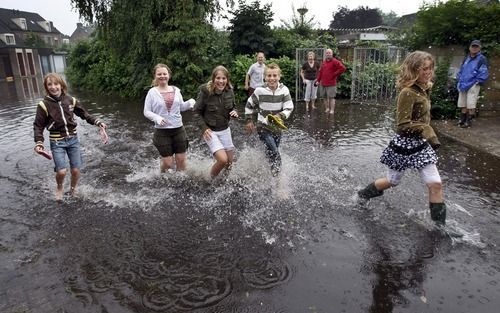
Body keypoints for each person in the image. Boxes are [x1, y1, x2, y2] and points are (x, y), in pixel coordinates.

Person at [357, 51, 446, 226]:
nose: (428, 72)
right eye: (424, 69)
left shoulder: (425, 88)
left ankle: (441, 228)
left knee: (435, 184)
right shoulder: (407, 92)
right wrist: (425, 128)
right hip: (404, 144)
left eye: (430, 68)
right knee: (392, 181)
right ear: (414, 70)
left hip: (420, 144)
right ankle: (363, 195)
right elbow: (402, 124)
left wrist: (424, 131)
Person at [33, 73, 107, 201]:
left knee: (75, 170)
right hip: (57, 142)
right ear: (46, 87)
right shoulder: (43, 105)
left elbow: (85, 115)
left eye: (56, 84)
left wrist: (98, 122)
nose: (53, 87)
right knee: (61, 171)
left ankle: (73, 190)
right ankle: (60, 187)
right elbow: (38, 126)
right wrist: (39, 143)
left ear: (61, 85)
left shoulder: (71, 100)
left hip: (73, 140)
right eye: (49, 84)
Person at [143, 63, 195, 173]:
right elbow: (146, 111)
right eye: (159, 74)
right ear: (155, 76)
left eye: (164, 74)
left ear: (169, 75)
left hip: (178, 129)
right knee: (168, 163)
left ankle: (181, 181)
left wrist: (190, 103)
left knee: (181, 160)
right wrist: (157, 118)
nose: (162, 76)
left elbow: (181, 107)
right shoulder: (152, 92)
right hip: (162, 132)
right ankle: (161, 175)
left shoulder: (176, 90)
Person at [245, 63, 294, 176]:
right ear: (265, 77)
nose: (272, 78)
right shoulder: (259, 91)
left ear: (279, 76)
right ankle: (277, 178)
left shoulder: (284, 90)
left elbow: (289, 107)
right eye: (269, 76)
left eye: (274, 75)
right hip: (263, 127)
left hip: (277, 128)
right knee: (275, 153)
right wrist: (248, 120)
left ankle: (268, 174)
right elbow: (249, 105)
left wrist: (281, 115)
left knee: (271, 152)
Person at [193, 65, 239, 178]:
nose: (221, 81)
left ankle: (223, 181)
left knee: (229, 162)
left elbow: (233, 107)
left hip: (225, 130)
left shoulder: (230, 91)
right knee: (223, 160)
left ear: (227, 80)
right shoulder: (205, 91)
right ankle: (210, 181)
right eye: (218, 78)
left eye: (224, 78)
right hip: (210, 131)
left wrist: (234, 112)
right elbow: (196, 112)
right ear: (213, 79)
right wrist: (204, 128)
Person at [456, 39, 489, 128]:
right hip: (463, 83)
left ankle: (468, 121)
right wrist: (459, 78)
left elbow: (483, 71)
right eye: (473, 46)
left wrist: (478, 81)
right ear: (470, 47)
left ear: (479, 48)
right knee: (462, 103)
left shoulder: (482, 59)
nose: (474, 48)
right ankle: (462, 120)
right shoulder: (466, 58)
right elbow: (461, 69)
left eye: (476, 47)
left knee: (471, 103)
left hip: (473, 83)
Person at [315, 48, 346, 115]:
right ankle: (327, 108)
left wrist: (334, 74)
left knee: (331, 97)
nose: (328, 54)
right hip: (323, 83)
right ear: (325, 54)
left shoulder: (335, 61)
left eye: (329, 53)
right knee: (324, 97)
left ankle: (332, 110)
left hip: (331, 83)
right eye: (327, 53)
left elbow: (343, 68)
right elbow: (321, 72)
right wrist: (318, 80)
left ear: (332, 54)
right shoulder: (324, 62)